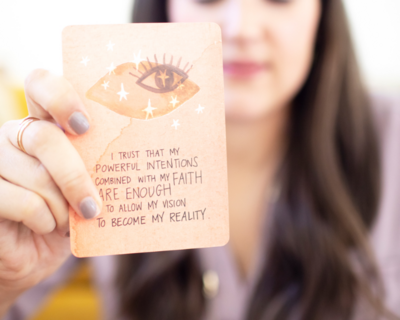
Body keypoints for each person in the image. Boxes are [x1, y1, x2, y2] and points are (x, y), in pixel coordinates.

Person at [1, 0, 400, 319]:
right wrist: (6, 277)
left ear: (321, 13)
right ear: (163, 11)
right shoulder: (91, 143)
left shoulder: (393, 139)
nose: (241, 27)